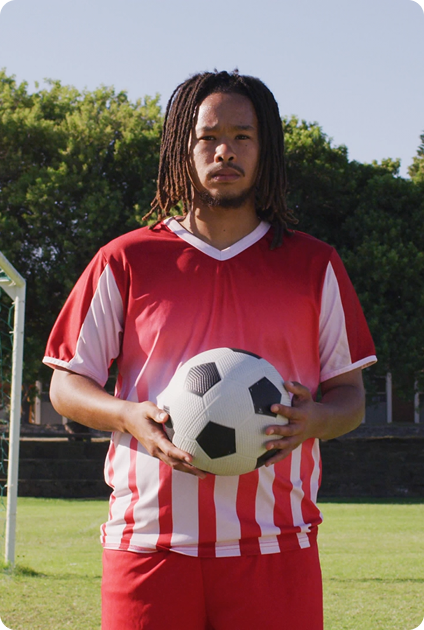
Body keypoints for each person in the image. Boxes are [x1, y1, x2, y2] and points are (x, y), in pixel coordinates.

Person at [44, 70, 377, 630]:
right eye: (208, 136)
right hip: (149, 543)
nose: (225, 150)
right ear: (183, 147)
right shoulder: (125, 259)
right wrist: (128, 414)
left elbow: (351, 399)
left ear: (265, 149)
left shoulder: (313, 265)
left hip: (276, 543)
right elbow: (65, 384)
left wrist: (314, 420)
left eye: (243, 136)